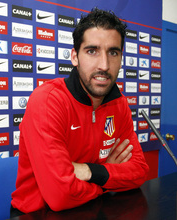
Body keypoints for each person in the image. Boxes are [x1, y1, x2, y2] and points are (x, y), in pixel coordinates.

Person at [10, 8, 149, 216]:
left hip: (90, 209)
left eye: (113, 52)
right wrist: (106, 180)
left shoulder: (118, 104)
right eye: (92, 51)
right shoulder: (48, 101)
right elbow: (59, 196)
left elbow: (139, 171)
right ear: (75, 57)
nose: (104, 65)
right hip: (38, 214)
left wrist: (91, 171)